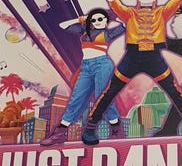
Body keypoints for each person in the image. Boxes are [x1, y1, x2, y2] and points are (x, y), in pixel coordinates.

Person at [81, 0, 182, 145]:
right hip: (132, 58)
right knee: (110, 91)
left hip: (154, 59)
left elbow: (174, 3)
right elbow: (116, 6)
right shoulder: (130, 13)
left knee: (174, 91)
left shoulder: (161, 13)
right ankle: (90, 128)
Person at [40, 8, 125, 146]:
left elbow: (126, 24)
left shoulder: (109, 33)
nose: (97, 22)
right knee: (76, 98)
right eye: (94, 20)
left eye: (100, 19)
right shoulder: (84, 31)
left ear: (106, 20)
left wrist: (116, 16)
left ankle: (116, 129)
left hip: (102, 65)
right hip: (86, 67)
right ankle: (59, 134)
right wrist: (81, 19)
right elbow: (63, 25)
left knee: (102, 97)